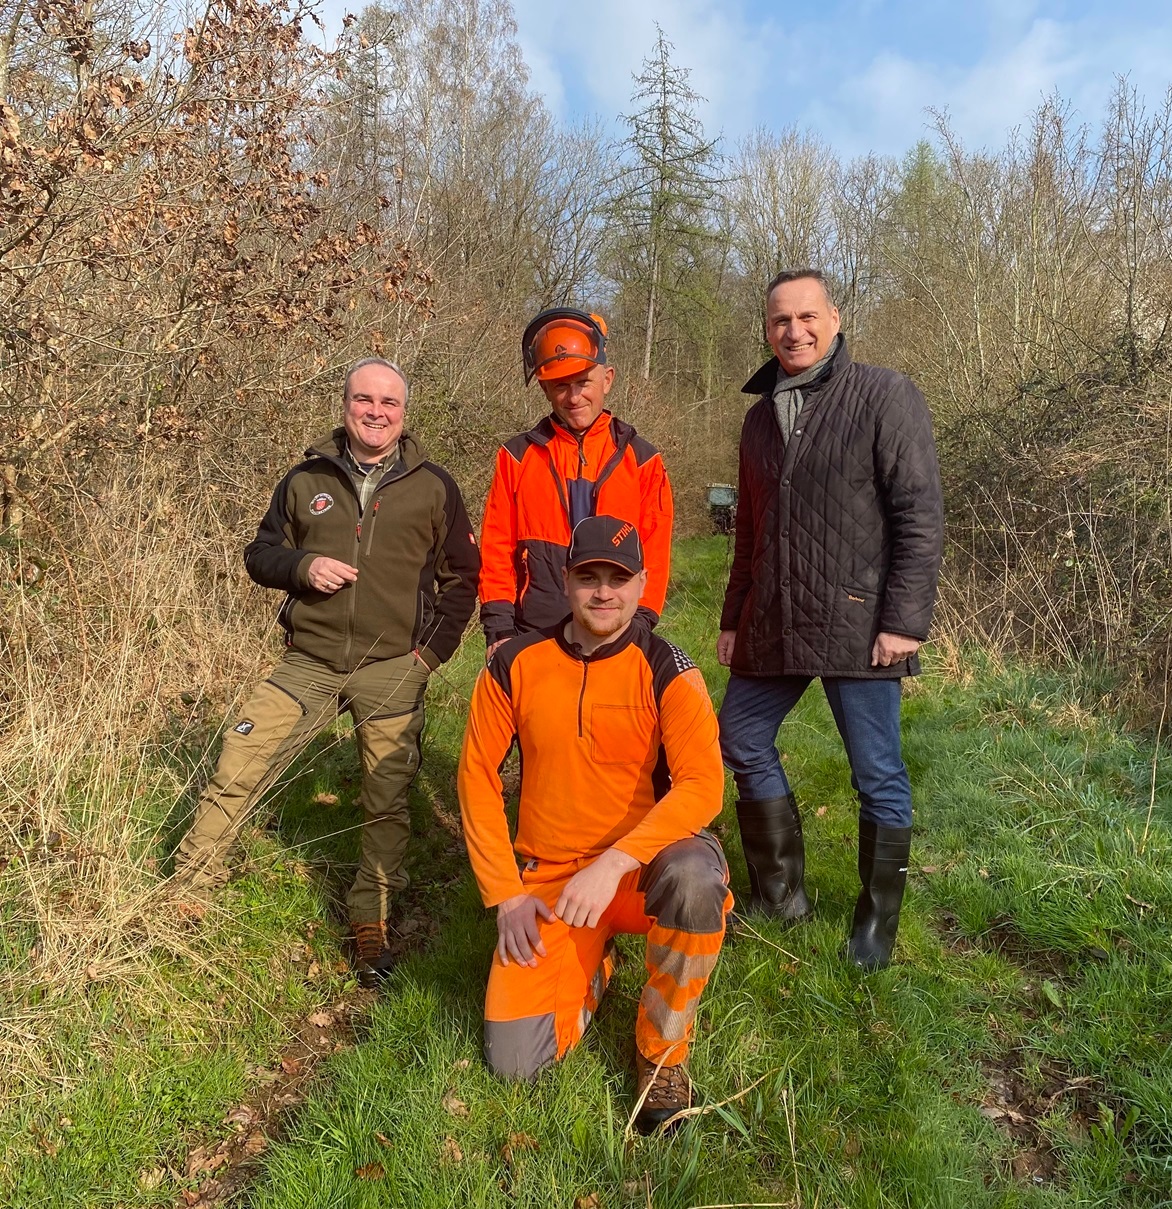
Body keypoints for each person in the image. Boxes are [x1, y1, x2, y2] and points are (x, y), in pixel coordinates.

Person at [175, 358, 480, 985]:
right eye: (364, 400)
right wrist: (302, 566)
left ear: (404, 412)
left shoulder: (434, 486)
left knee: (386, 797)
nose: (376, 412)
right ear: (345, 404)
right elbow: (260, 553)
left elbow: (463, 579)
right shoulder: (305, 477)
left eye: (388, 403)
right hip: (306, 662)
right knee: (239, 759)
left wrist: (427, 657)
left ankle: (371, 918)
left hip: (392, 668)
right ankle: (186, 893)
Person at [458, 515, 731, 1135]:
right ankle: (594, 962)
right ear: (566, 581)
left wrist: (615, 863)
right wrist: (506, 896)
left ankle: (663, 1051)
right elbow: (476, 777)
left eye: (619, 578)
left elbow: (702, 786)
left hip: (639, 877)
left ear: (641, 584)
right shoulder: (515, 664)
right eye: (589, 577)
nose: (604, 592)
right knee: (517, 1065)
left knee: (695, 880)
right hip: (552, 882)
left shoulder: (669, 670)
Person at [717, 269, 943, 971]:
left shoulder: (884, 394)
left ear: (834, 318)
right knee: (739, 734)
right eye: (780, 320)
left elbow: (918, 513)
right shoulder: (758, 418)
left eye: (807, 316)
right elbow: (749, 528)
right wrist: (732, 616)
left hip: (858, 622)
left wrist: (904, 619)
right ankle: (781, 895)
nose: (794, 331)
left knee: (875, 771)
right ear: (766, 329)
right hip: (775, 617)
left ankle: (874, 926)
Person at [478, 308, 674, 661]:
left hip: (615, 632)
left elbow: (655, 554)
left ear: (607, 379)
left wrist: (641, 624)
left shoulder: (643, 461)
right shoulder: (516, 456)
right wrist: (499, 627)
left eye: (583, 382)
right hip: (531, 631)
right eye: (560, 385)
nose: (573, 397)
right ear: (544, 388)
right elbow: (496, 547)